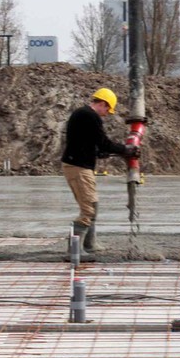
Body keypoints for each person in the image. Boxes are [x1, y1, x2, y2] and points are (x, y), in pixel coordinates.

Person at [61, 88, 138, 254]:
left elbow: (84, 141)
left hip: (78, 165)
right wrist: (126, 149)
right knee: (88, 209)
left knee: (93, 204)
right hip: (78, 168)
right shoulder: (90, 116)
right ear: (103, 104)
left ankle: (89, 244)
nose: (106, 114)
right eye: (107, 110)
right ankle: (74, 250)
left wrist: (97, 152)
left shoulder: (82, 114)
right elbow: (104, 142)